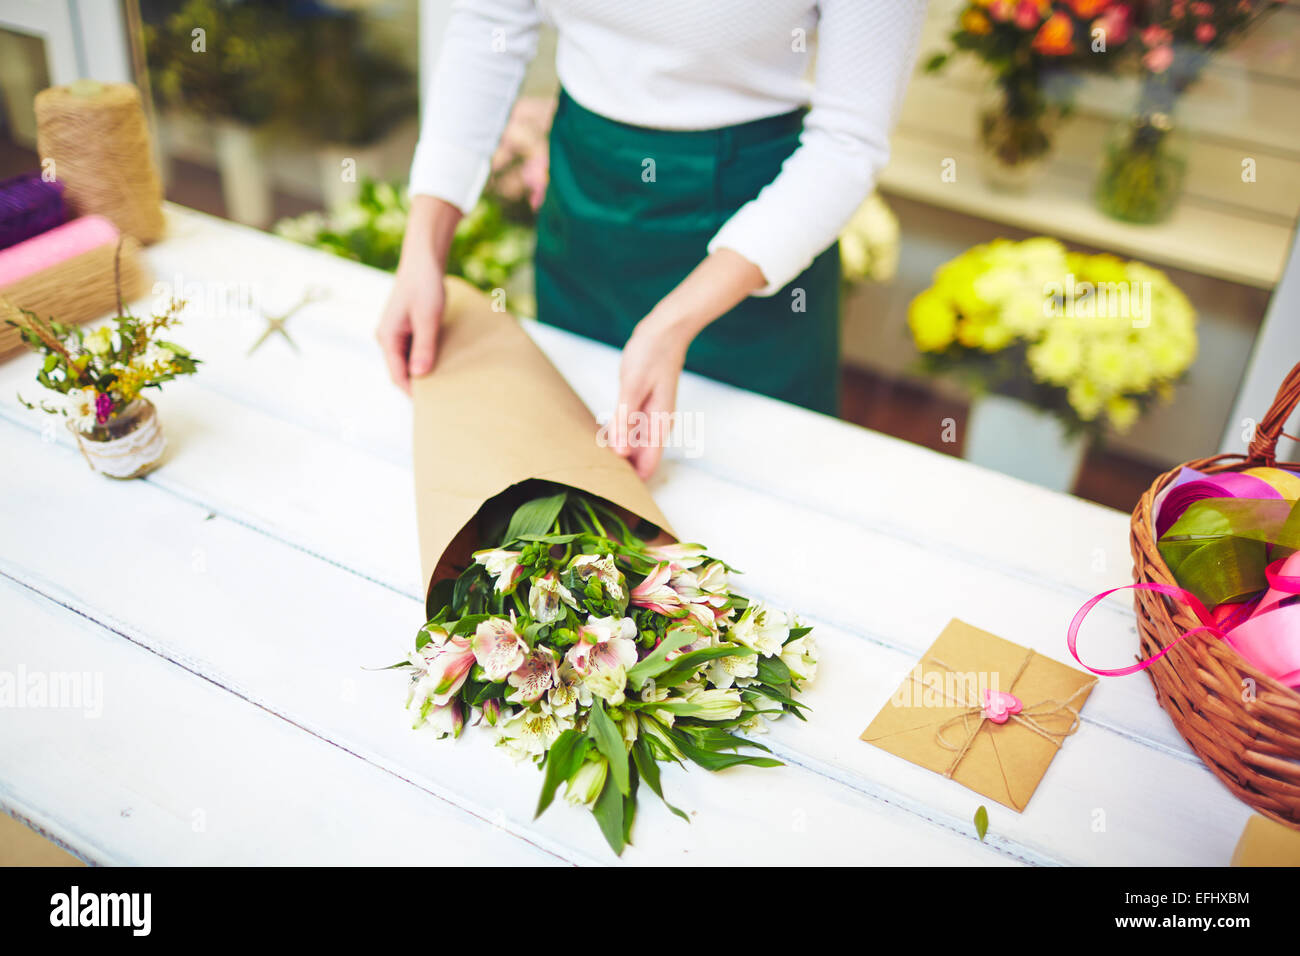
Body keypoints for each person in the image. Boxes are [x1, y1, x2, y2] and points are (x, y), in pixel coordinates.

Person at [378, 0, 926, 477]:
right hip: (587, 193)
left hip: (754, 229)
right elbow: (489, 24)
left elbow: (849, 143)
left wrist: (672, 326)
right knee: (571, 472)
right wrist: (423, 248)